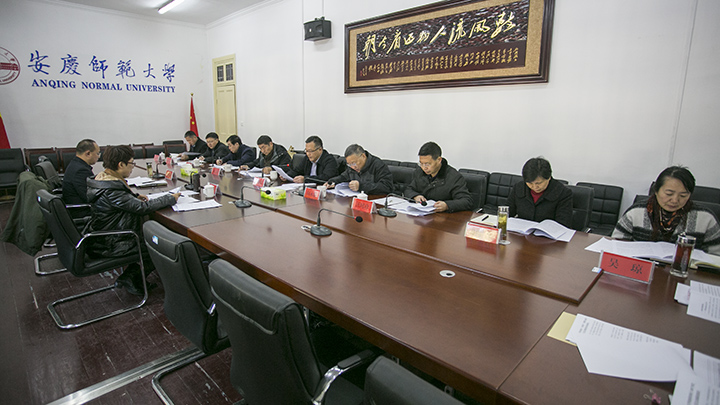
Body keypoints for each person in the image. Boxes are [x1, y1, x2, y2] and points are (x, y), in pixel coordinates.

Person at [86, 145, 180, 295]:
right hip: (113, 242)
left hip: (104, 235)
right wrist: (170, 198)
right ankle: (130, 277)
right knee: (159, 244)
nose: (132, 167)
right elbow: (142, 208)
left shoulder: (103, 179)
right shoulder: (111, 190)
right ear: (120, 164)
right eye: (131, 163)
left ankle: (133, 277)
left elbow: (122, 201)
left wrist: (133, 197)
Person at [613, 166, 720, 255]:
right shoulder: (636, 212)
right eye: (669, 194)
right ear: (656, 190)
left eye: (683, 195)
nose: (675, 200)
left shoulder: (705, 218)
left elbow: (715, 257)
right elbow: (616, 245)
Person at [404, 142, 473, 213]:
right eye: (421, 163)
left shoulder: (453, 177)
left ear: (439, 160)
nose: (424, 168)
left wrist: (447, 205)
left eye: (427, 164)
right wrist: (415, 196)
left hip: (443, 216)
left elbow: (466, 201)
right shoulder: (419, 172)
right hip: (422, 214)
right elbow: (409, 189)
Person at [507, 157, 573, 227]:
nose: (535, 187)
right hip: (522, 231)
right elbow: (507, 213)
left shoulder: (563, 193)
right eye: (530, 183)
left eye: (539, 183)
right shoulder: (519, 187)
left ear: (549, 177)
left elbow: (563, 224)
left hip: (548, 232)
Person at [326, 144, 393, 195]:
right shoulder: (352, 167)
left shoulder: (378, 165)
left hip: (374, 202)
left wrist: (361, 186)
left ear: (363, 156)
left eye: (354, 163)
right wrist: (332, 181)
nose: (352, 167)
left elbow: (387, 187)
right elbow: (344, 177)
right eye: (349, 164)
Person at [62, 139, 100, 210]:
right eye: (97, 153)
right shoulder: (81, 171)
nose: (98, 157)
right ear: (88, 153)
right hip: (82, 210)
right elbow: (90, 197)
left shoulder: (75, 164)